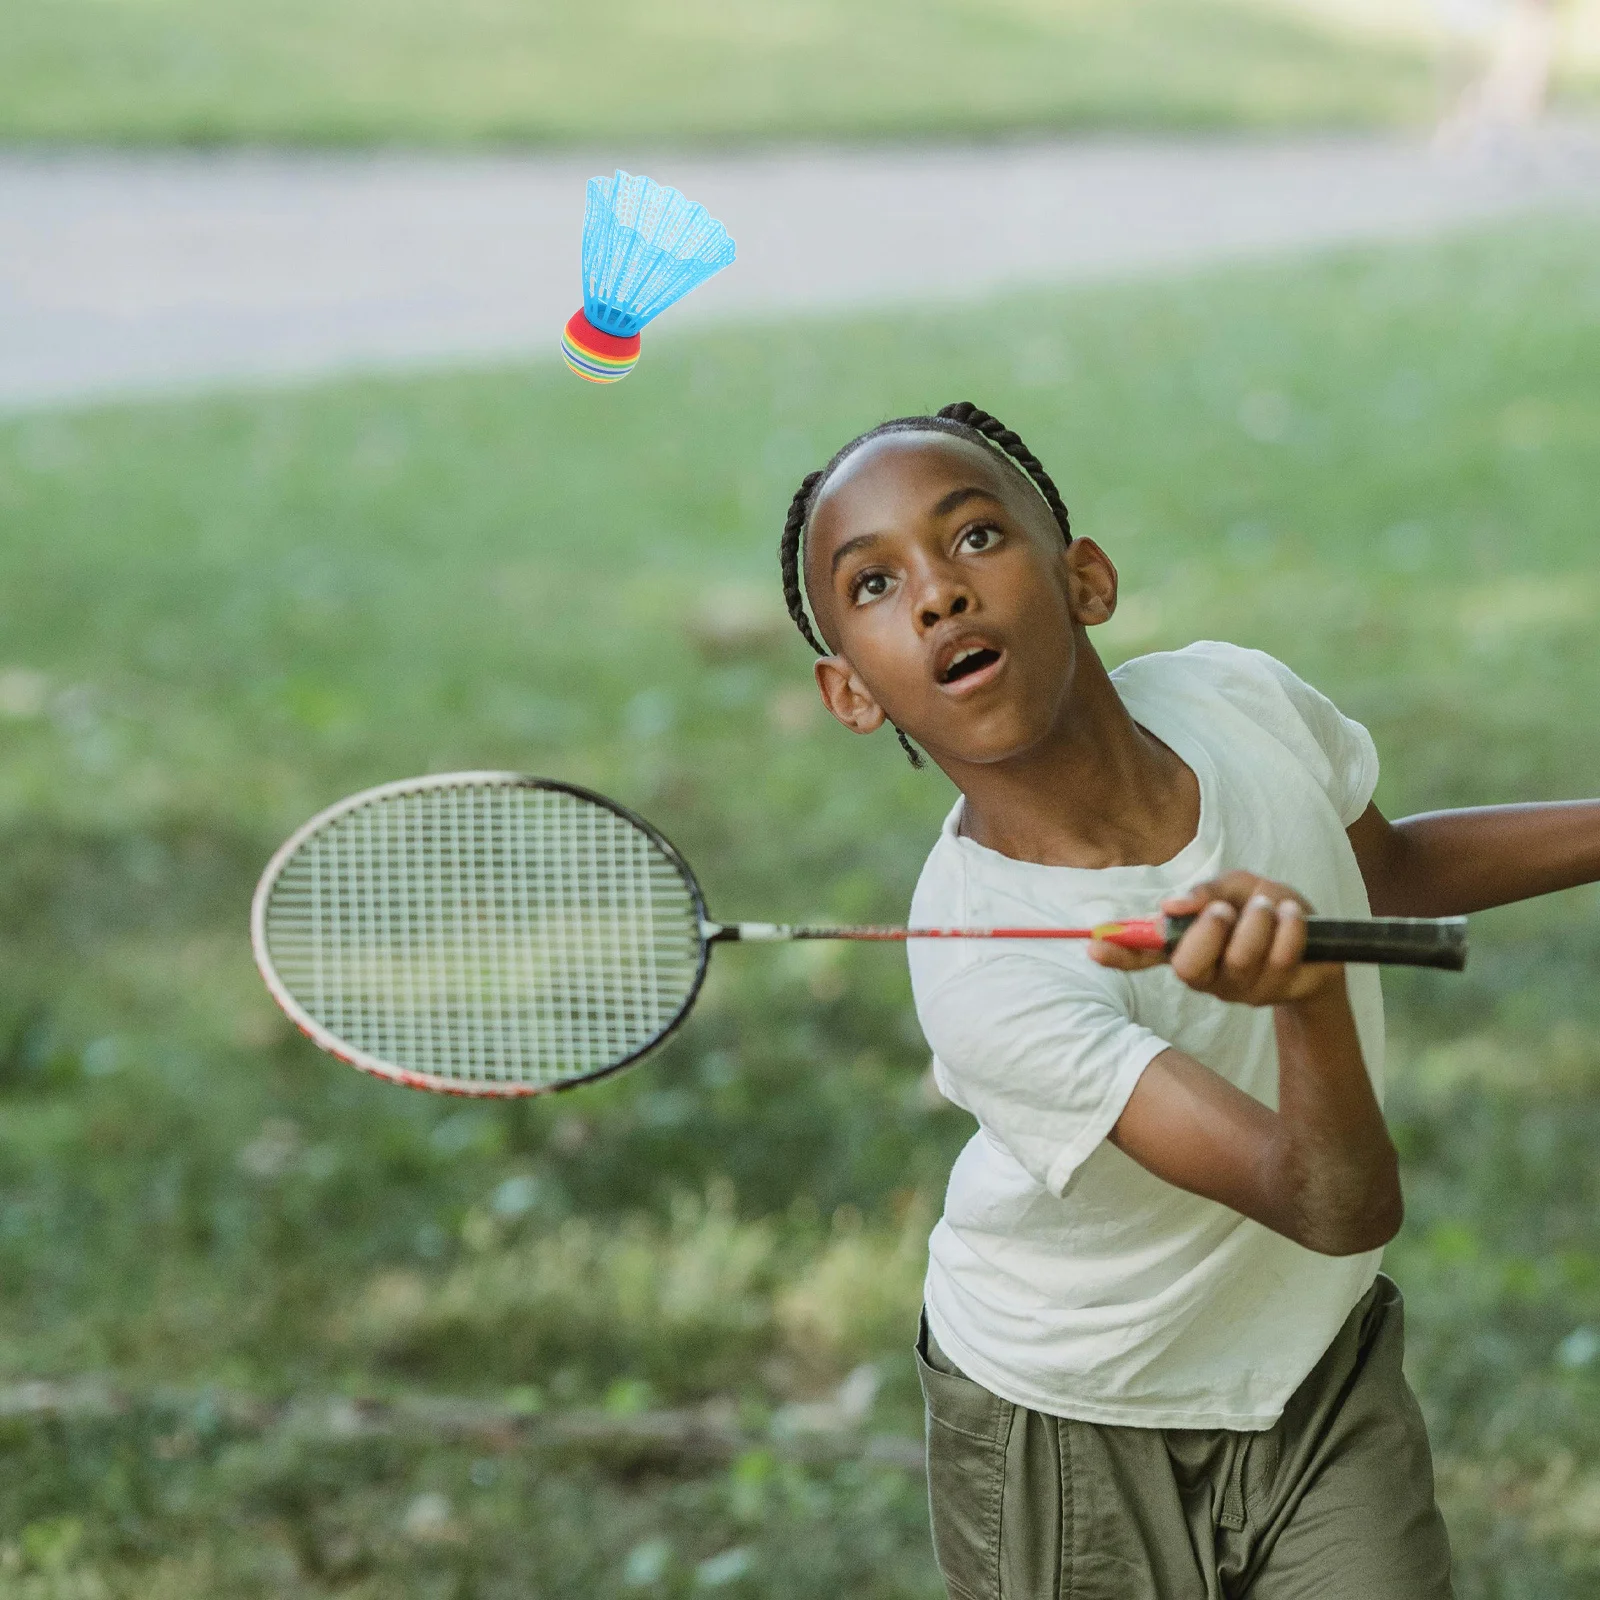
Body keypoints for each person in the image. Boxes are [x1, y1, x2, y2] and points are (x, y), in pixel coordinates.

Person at [775, 402, 1600, 1598]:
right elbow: (1326, 1202)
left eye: (972, 539)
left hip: (1314, 1371)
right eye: (874, 584)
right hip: (1069, 1417)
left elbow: (1384, 869)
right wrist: (1303, 1002)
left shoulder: (1237, 699)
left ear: (1085, 578)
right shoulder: (983, 973)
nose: (937, 594)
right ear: (852, 694)